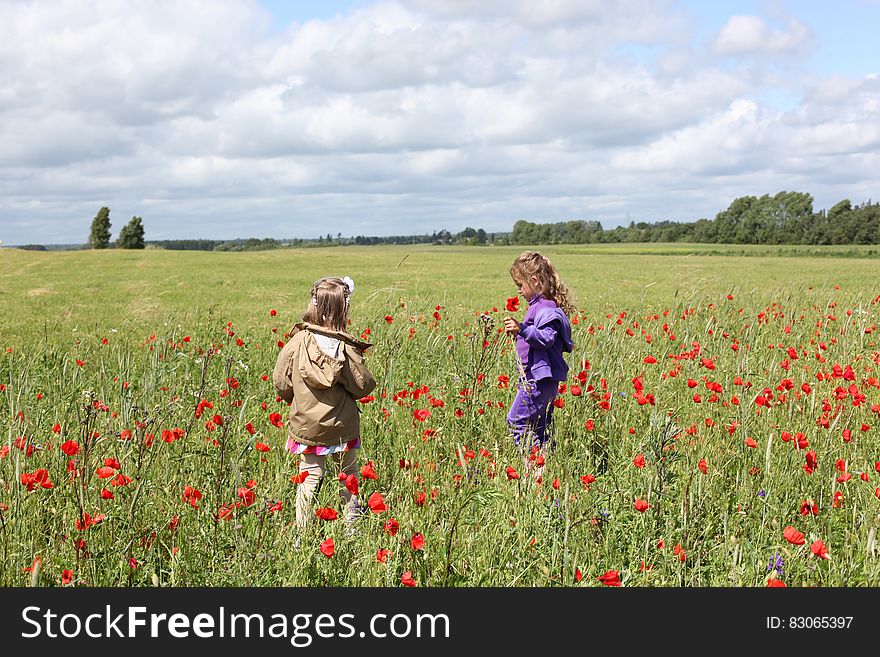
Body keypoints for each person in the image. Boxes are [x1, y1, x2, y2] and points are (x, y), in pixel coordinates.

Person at [273, 276, 377, 530]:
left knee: (309, 477)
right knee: (348, 474)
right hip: (342, 425)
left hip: (307, 426)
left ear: (314, 304)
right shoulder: (346, 348)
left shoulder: (297, 342)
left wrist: (296, 399)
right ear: (344, 308)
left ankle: (302, 534)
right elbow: (363, 386)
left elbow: (280, 381)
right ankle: (351, 525)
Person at [502, 252, 574, 474]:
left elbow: (546, 338)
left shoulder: (546, 308)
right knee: (540, 427)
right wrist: (522, 334)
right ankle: (545, 470)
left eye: (520, 285)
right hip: (537, 379)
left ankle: (534, 471)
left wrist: (522, 329)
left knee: (517, 421)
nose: (519, 291)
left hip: (537, 380)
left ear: (534, 281)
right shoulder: (539, 305)